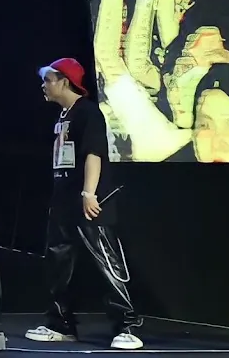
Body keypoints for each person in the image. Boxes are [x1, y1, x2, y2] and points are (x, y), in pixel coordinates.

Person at [26, 58, 145, 350]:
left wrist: (88, 193)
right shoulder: (64, 115)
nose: (44, 86)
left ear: (64, 82)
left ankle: (126, 326)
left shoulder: (88, 113)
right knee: (59, 263)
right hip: (64, 202)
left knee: (106, 263)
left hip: (89, 202)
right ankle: (60, 324)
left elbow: (94, 154)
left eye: (48, 80)